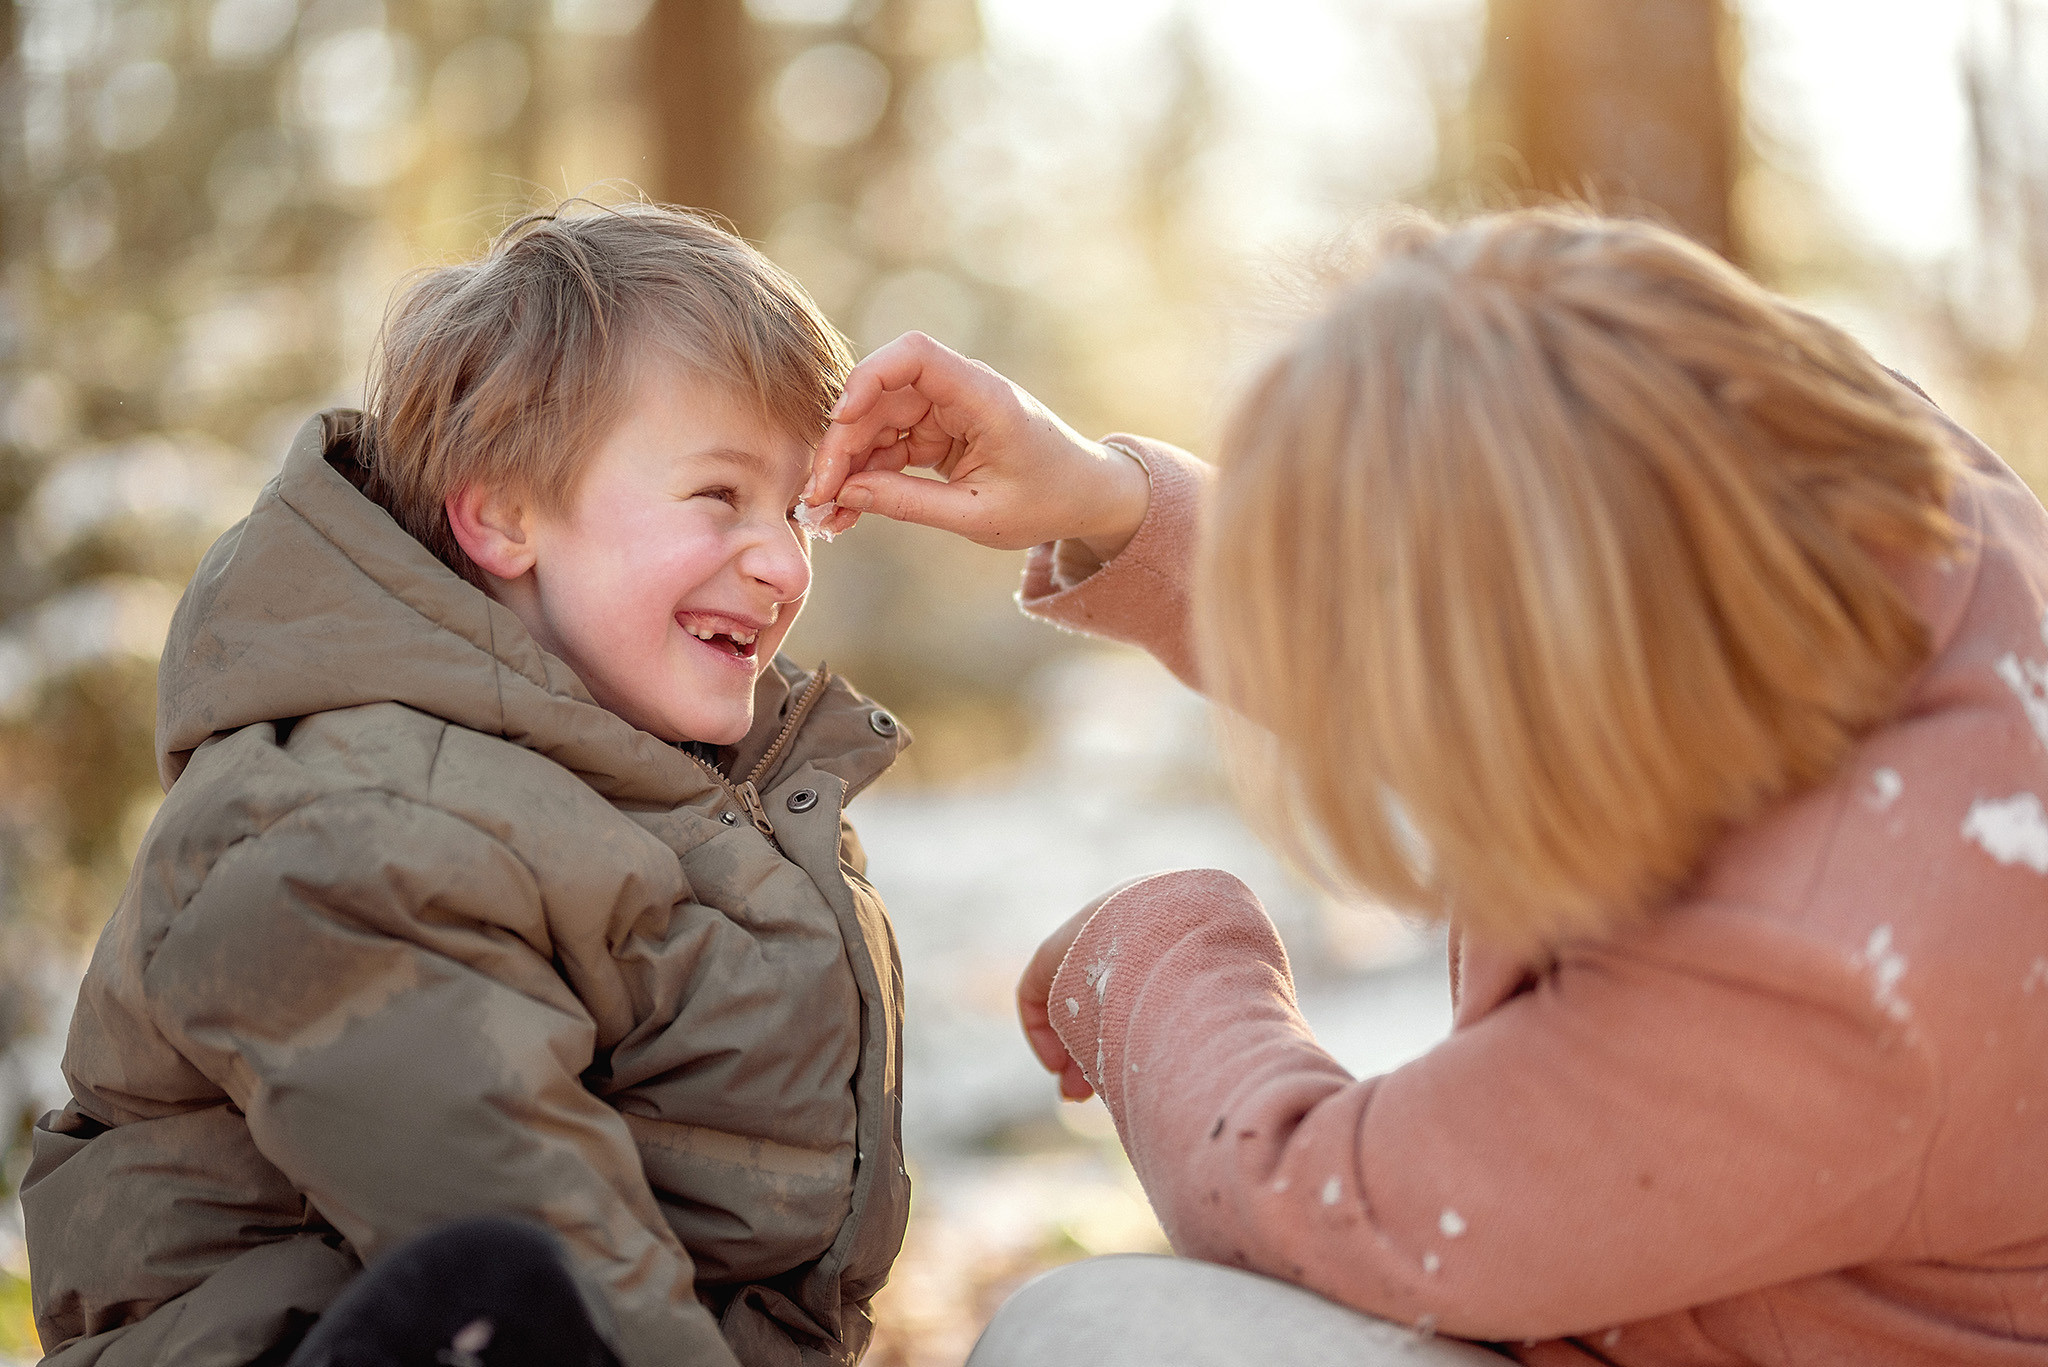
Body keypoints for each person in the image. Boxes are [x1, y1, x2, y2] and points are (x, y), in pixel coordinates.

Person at [803, 209, 2048, 1364]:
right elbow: (1491, 564)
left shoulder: (1827, 976)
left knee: (1097, 1332)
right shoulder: (1842, 483)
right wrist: (1115, 502)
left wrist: (1157, 954)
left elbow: (1316, 1197)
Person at [23, 202, 913, 1367]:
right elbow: (543, 1230)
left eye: (796, 509)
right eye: (718, 495)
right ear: (501, 512)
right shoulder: (351, 824)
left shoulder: (662, 800)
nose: (785, 560)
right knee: (499, 1283)